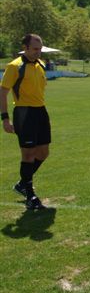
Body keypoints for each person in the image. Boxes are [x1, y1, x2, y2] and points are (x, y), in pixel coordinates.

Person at [0, 34, 50, 210]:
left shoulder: (40, 65)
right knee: (28, 155)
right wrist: (5, 118)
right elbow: (3, 92)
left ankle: (22, 183)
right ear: (26, 47)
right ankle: (30, 195)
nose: (38, 52)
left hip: (41, 111)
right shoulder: (15, 66)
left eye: (40, 49)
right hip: (24, 112)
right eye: (35, 49)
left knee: (43, 152)